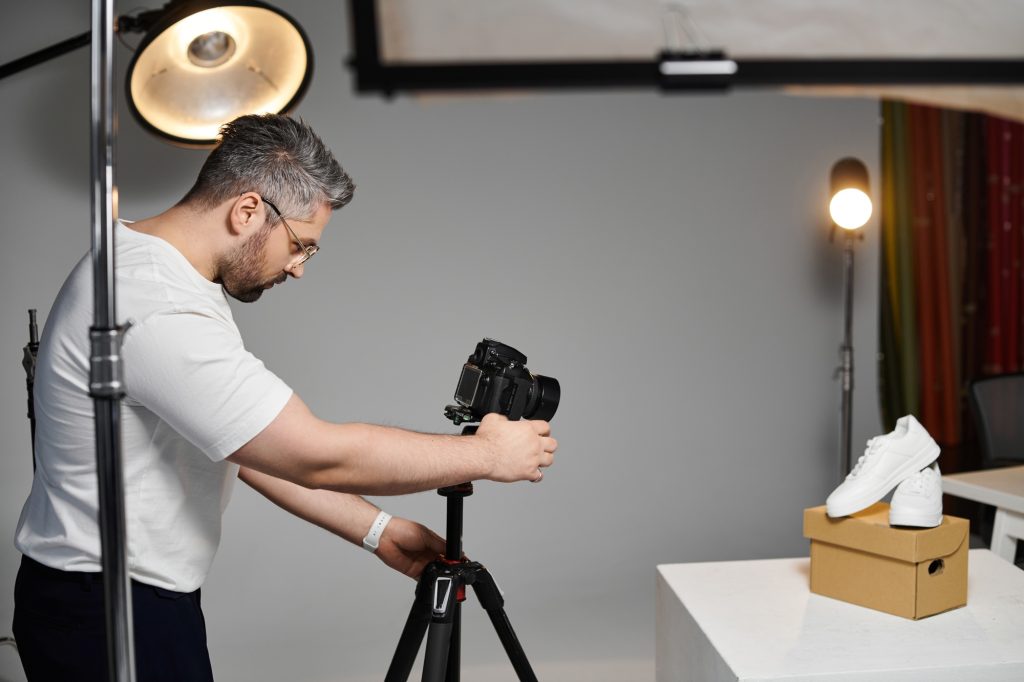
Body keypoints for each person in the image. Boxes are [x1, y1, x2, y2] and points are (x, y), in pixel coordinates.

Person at [11, 114, 557, 681]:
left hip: (112, 600)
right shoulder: (155, 303)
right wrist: (487, 455)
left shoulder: (151, 267)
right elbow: (315, 454)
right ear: (248, 211)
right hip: (109, 613)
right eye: (301, 246)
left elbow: (241, 446)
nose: (298, 269)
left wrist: (379, 532)